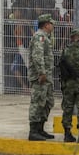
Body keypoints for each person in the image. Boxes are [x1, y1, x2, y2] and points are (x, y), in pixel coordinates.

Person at [27, 13, 56, 141]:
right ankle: (33, 131)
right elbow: (37, 56)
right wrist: (42, 73)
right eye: (51, 23)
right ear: (46, 25)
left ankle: (40, 129)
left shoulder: (46, 37)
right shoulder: (40, 37)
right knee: (38, 102)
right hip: (41, 77)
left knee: (47, 102)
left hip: (46, 76)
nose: (52, 26)